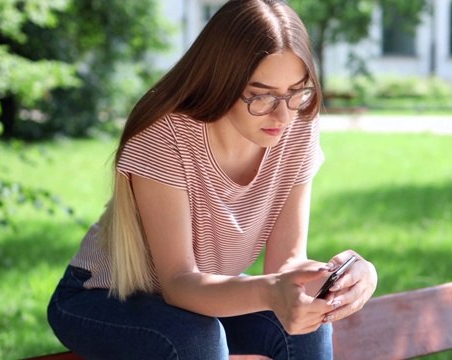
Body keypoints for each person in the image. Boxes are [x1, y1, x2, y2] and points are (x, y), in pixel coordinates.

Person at [47, 0, 378, 359]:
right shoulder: (166, 135)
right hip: (102, 296)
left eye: (297, 92)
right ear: (221, 82)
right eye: (262, 96)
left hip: (197, 302)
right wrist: (270, 293)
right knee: (197, 338)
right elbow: (178, 283)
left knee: (306, 327)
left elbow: (287, 265)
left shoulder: (297, 126)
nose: (283, 115)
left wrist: (348, 279)